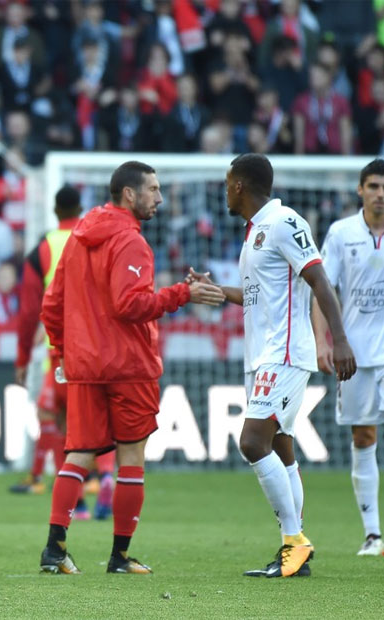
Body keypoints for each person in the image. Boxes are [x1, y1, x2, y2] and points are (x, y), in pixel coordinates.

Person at [38, 161, 225, 576]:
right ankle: (120, 557)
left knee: (79, 454)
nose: (159, 198)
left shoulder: (78, 237)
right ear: (129, 194)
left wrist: (65, 352)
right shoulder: (132, 242)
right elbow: (130, 305)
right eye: (153, 189)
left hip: (86, 366)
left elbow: (52, 305)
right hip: (128, 366)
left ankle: (54, 549)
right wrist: (183, 293)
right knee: (131, 457)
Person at [191, 153, 356, 578]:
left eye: (228, 183)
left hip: (284, 353)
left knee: (251, 442)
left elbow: (319, 279)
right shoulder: (255, 233)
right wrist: (214, 291)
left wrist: (337, 340)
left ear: (240, 185)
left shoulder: (285, 221)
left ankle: (294, 542)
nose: (225, 191)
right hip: (260, 355)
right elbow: (254, 294)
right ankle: (294, 550)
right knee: (281, 448)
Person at [11, 184, 117, 522]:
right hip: (100, 348)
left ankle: (79, 505)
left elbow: (29, 312)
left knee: (57, 421)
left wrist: (23, 358)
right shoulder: (97, 239)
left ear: (56, 211)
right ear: (81, 209)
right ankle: (106, 477)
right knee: (100, 422)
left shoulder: (44, 247)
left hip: (58, 352)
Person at [311, 158, 384, 557]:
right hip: (355, 354)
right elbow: (321, 288)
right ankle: (373, 535)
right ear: (360, 190)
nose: (380, 193)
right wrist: (323, 342)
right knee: (363, 436)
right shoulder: (341, 233)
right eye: (373, 186)